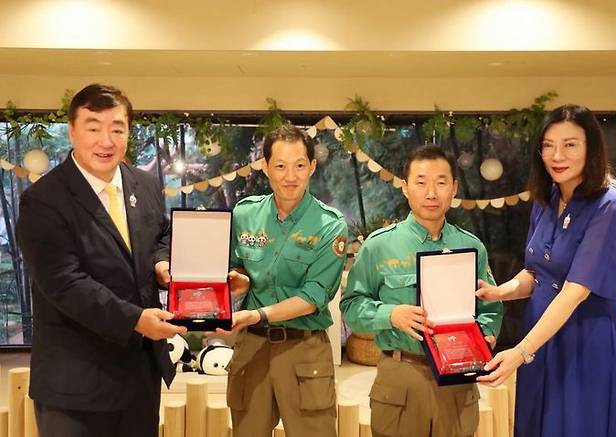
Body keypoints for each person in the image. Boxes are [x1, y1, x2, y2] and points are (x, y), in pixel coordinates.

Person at [17, 83, 186, 437]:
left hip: (140, 378)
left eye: (117, 128)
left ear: (129, 131)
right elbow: (64, 283)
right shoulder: (44, 200)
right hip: (76, 385)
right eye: (93, 128)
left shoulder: (145, 185)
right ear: (73, 131)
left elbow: (161, 237)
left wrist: (161, 263)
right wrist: (136, 320)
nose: (106, 141)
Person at [475, 104, 616, 437]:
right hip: (542, 334)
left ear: (590, 147)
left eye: (570, 144)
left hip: (586, 338)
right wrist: (498, 292)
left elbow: (575, 291)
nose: (556, 155)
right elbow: (536, 273)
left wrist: (520, 351)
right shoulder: (547, 198)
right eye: (548, 145)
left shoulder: (611, 207)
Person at [340, 145, 503, 437]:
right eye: (421, 182)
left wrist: (485, 336)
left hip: (457, 380)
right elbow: (351, 307)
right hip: (401, 377)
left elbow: (490, 307)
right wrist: (391, 315)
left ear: (453, 188)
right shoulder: (379, 246)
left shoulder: (471, 247)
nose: (431, 193)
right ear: (405, 188)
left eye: (441, 182)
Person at [216, 124, 348, 437]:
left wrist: (257, 314)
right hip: (253, 347)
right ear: (265, 166)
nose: (291, 176)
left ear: (312, 167)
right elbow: (239, 269)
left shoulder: (330, 225)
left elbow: (314, 295)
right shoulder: (246, 214)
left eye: (300, 165)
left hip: (304, 350)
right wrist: (239, 281)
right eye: (280, 166)